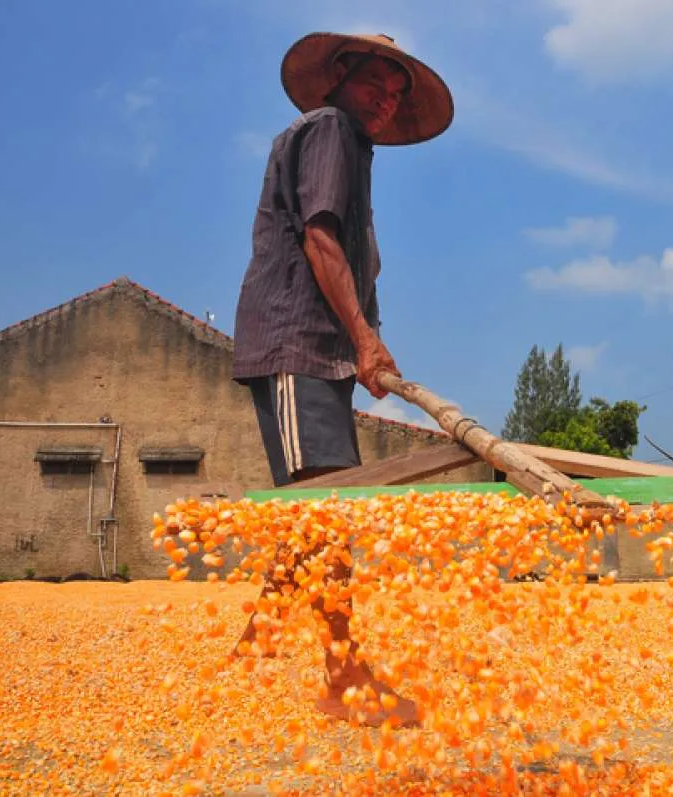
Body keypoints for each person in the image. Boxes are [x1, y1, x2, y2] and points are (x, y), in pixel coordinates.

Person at [229, 32, 454, 728]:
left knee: (312, 509)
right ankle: (344, 677)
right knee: (327, 512)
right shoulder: (329, 129)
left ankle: (254, 653)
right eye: (374, 85)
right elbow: (319, 240)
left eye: (396, 93)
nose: (385, 101)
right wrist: (364, 339)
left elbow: (353, 257)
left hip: (323, 350)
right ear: (336, 77)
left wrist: (368, 341)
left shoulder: (351, 149)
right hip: (300, 342)